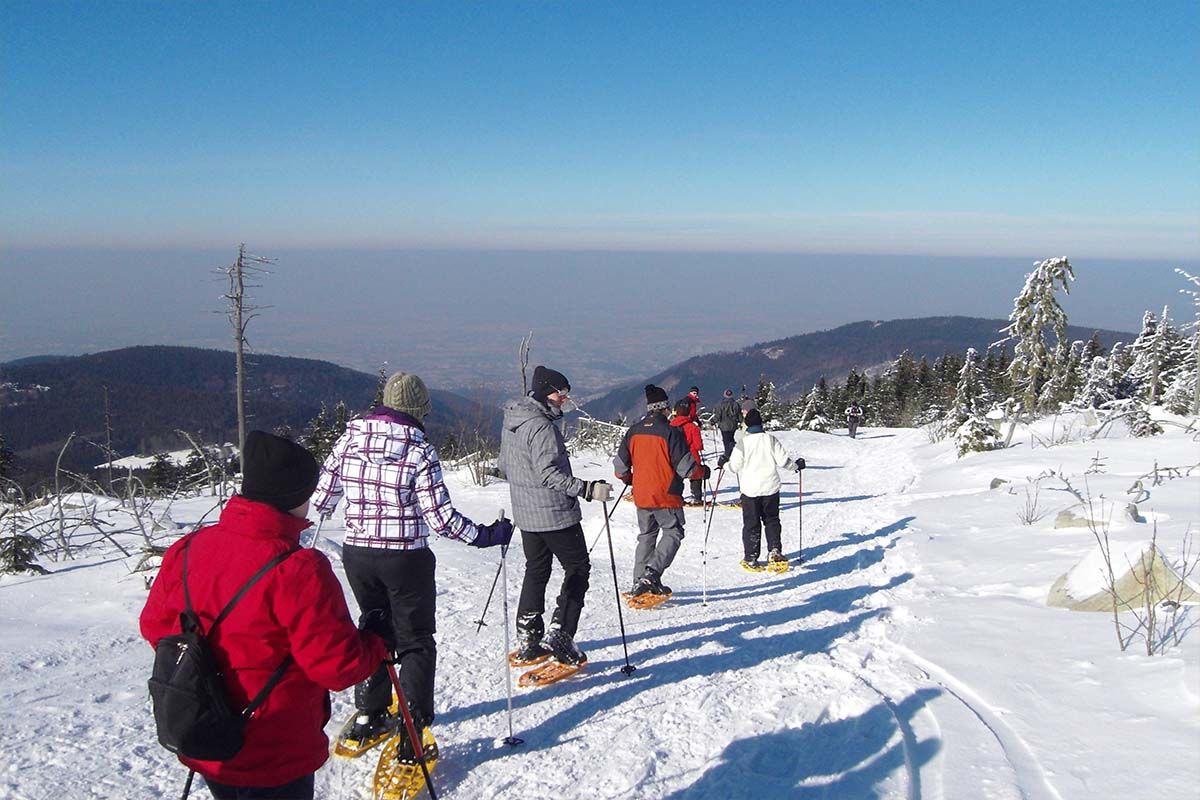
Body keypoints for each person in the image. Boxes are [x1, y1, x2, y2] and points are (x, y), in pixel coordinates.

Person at [140, 431, 390, 800]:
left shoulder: (188, 549)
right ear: (294, 498)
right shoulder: (299, 569)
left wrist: (217, 669)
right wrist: (377, 640)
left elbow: (156, 629)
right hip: (274, 751)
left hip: (206, 734)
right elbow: (337, 667)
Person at [311, 371, 513, 753]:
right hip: (406, 557)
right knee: (416, 641)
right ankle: (412, 728)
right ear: (419, 409)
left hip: (359, 555)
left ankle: (371, 713)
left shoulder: (349, 440)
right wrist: (487, 535)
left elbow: (321, 500)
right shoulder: (418, 449)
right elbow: (441, 520)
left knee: (373, 631)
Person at [500, 365, 611, 667]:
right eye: (559, 393)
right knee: (578, 569)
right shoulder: (542, 427)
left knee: (536, 570)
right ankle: (561, 633)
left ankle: (529, 638)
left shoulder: (513, 421)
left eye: (565, 394)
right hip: (554, 514)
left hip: (526, 514)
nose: (563, 399)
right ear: (543, 392)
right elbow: (550, 474)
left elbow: (504, 464)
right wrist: (586, 488)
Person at [614, 385, 696, 597]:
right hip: (666, 494)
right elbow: (686, 469)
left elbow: (620, 468)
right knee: (673, 532)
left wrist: (632, 480)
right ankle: (651, 574)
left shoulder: (633, 431)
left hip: (641, 494)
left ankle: (638, 582)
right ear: (665, 408)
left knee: (646, 536)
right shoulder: (671, 432)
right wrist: (702, 472)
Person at [727, 409, 802, 569]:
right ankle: (775, 551)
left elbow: (734, 467)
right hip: (771, 488)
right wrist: (796, 466)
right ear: (761, 423)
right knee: (772, 520)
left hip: (750, 490)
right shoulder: (771, 440)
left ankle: (751, 557)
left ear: (747, 425)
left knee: (751, 524)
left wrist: (724, 465)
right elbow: (783, 462)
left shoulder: (743, 443)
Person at [669, 398, 708, 505]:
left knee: (676, 476)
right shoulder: (692, 427)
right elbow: (698, 446)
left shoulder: (670, 426)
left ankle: (676, 496)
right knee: (696, 475)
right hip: (692, 456)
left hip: (675, 457)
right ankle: (696, 497)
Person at [713, 388, 742, 467]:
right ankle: (732, 453)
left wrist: (713, 421)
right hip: (733, 426)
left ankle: (728, 455)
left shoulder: (721, 404)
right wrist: (742, 422)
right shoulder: (736, 404)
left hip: (724, 426)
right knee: (731, 439)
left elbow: (718, 416)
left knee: (726, 440)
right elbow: (739, 416)